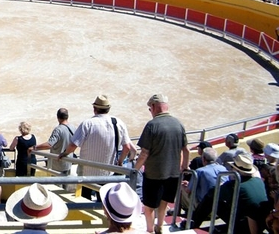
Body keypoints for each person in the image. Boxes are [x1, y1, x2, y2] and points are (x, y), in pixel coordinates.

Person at [59, 95, 132, 201]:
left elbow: (73, 145)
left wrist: (64, 154)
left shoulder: (87, 124)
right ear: (108, 109)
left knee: (85, 201)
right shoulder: (118, 123)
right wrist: (120, 162)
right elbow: (127, 147)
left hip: (87, 174)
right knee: (104, 201)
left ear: (94, 109)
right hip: (108, 173)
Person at [134, 94, 188, 234]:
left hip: (154, 174)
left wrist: (134, 170)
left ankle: (150, 230)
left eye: (149, 108)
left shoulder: (152, 125)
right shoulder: (178, 123)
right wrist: (184, 167)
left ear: (153, 107)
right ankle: (160, 226)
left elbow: (144, 153)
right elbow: (185, 149)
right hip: (173, 173)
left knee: (149, 206)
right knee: (164, 202)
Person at [191, 153, 268, 233]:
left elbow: (212, 193)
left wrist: (220, 186)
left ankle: (194, 223)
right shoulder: (258, 181)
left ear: (236, 171)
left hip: (245, 225)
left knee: (213, 198)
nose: (230, 169)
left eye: (232, 167)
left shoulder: (236, 185)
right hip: (261, 223)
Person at [34, 108, 74, 183]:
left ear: (57, 117)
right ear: (67, 116)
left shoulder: (58, 130)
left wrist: (35, 147)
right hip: (68, 162)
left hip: (58, 163)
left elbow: (49, 144)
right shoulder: (73, 128)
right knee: (65, 186)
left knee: (57, 186)